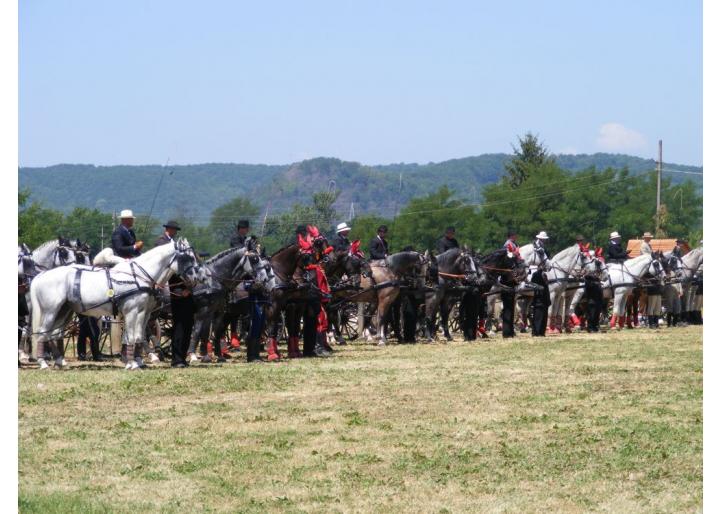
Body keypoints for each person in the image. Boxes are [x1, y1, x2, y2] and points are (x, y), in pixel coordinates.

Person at [154, 221, 195, 368]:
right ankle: (177, 359)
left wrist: (189, 287)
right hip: (173, 285)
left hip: (186, 286)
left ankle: (182, 357)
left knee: (187, 324)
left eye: (176, 230)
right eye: (173, 229)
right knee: (179, 325)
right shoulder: (162, 242)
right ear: (167, 229)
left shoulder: (176, 243)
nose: (175, 232)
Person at [530, 269, 550, 336]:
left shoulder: (546, 274)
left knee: (544, 317)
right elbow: (533, 284)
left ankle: (542, 332)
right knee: (538, 317)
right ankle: (536, 332)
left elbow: (547, 286)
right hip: (539, 299)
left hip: (545, 298)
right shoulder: (536, 274)